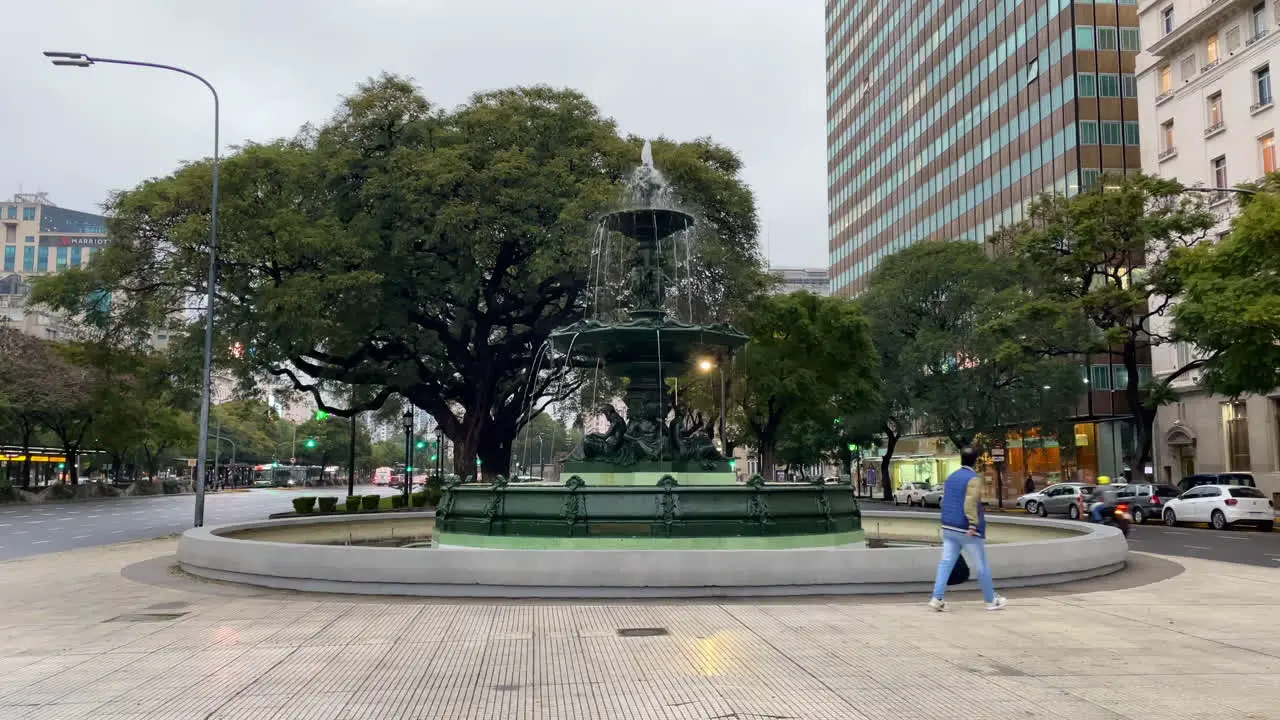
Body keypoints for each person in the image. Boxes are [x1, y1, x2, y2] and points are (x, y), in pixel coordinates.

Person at [929, 447, 1007, 611]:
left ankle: (937, 598)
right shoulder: (973, 479)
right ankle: (991, 599)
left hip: (948, 527)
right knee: (981, 565)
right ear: (976, 461)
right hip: (966, 529)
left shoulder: (951, 478)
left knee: (945, 563)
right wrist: (973, 524)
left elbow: (945, 502)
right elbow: (970, 503)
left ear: (961, 459)